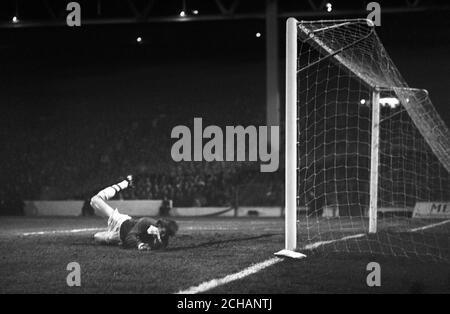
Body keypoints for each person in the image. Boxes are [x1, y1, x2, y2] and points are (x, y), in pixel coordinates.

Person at [90, 175, 178, 251]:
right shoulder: (146, 222)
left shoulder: (163, 240)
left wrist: (156, 241)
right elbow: (130, 236)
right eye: (162, 229)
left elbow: (159, 246)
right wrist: (140, 245)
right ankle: (124, 183)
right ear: (159, 225)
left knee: (96, 237)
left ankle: (120, 242)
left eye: (164, 233)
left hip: (119, 237)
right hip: (120, 222)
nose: (161, 233)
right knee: (95, 200)